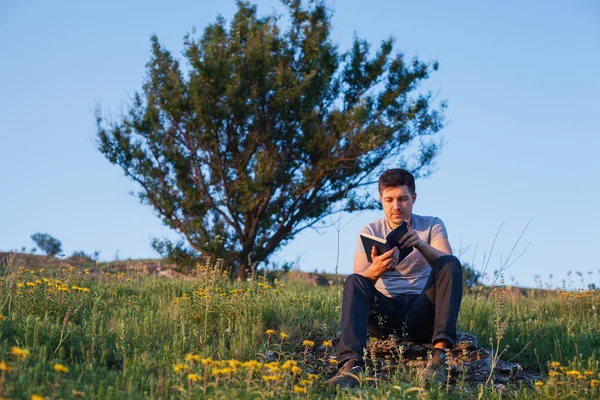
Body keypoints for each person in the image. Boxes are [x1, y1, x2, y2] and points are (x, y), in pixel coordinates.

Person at [327, 168, 463, 388]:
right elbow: (359, 278)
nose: (396, 206)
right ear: (381, 199)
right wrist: (378, 268)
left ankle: (438, 359)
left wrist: (420, 244)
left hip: (423, 310)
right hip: (385, 314)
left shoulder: (432, 224)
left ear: (414, 198)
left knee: (450, 263)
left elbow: (447, 262)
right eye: (389, 200)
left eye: (403, 199)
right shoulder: (370, 230)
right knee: (353, 280)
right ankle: (351, 365)